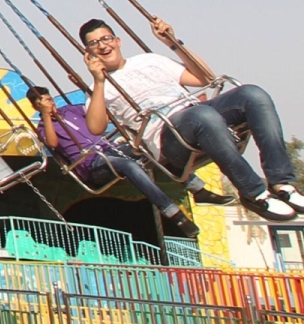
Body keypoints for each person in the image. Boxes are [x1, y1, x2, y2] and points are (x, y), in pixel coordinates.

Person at [81, 18, 304, 222]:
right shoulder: (98, 88)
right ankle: (253, 193)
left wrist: (173, 43)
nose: (103, 45)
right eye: (94, 43)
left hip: (197, 114)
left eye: (106, 38)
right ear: (88, 53)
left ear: (118, 41)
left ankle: (282, 183)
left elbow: (205, 78)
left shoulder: (150, 60)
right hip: (169, 138)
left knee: (253, 94)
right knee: (201, 115)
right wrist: (100, 81)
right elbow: (95, 127)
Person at [27, 84, 219, 237]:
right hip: (93, 164)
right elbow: (52, 143)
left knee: (149, 145)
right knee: (127, 164)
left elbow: (96, 112)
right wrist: (45, 114)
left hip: (111, 149)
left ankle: (195, 187)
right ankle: (171, 211)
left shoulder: (71, 111)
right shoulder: (44, 127)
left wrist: (92, 89)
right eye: (43, 102)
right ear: (36, 105)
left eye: (50, 99)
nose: (49, 103)